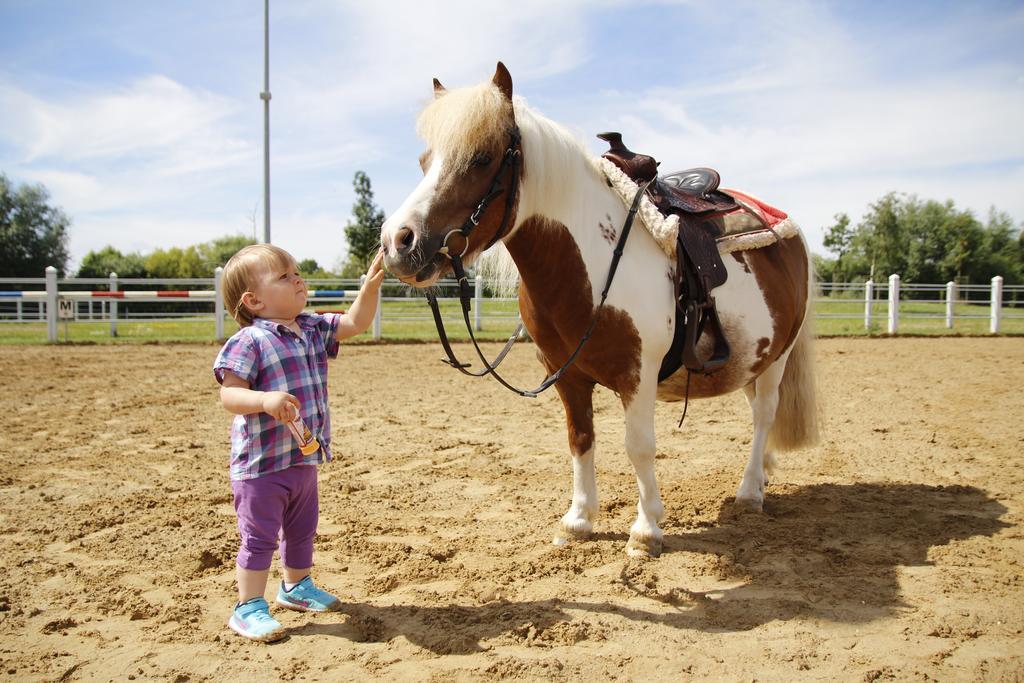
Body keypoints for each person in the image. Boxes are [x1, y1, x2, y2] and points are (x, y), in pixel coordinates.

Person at [213, 243, 384, 642]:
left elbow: (356, 322)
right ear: (253, 300)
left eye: (297, 272)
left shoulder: (311, 327)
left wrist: (371, 285)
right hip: (261, 465)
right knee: (259, 538)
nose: (298, 280)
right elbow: (229, 396)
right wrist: (263, 401)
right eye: (285, 276)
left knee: (302, 528)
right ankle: (248, 607)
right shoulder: (248, 341)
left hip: (303, 458)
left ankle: (295, 586)